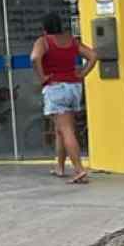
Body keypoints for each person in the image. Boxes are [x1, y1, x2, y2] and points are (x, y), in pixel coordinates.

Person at [30, 12, 97, 184]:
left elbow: (35, 57)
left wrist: (42, 77)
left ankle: (79, 170)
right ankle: (60, 167)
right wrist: (82, 73)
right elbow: (93, 56)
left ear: (44, 27)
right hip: (74, 88)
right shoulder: (71, 41)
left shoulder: (44, 41)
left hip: (56, 87)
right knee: (61, 129)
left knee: (66, 130)